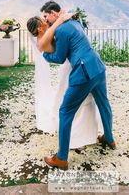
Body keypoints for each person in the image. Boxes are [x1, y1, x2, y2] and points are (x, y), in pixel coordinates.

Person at [40, 1, 116, 170]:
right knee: (104, 104)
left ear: (54, 13)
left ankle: (61, 158)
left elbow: (59, 58)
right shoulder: (75, 22)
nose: (46, 22)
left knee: (65, 111)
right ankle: (109, 138)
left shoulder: (61, 29)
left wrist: (45, 54)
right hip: (98, 67)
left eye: (46, 17)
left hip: (83, 72)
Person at [27, 13, 102, 149]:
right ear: (38, 28)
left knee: (77, 102)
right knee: (72, 104)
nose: (45, 20)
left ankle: (81, 133)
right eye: (42, 20)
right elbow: (57, 56)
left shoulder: (47, 34)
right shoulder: (42, 41)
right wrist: (59, 22)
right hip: (70, 67)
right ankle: (77, 136)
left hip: (73, 65)